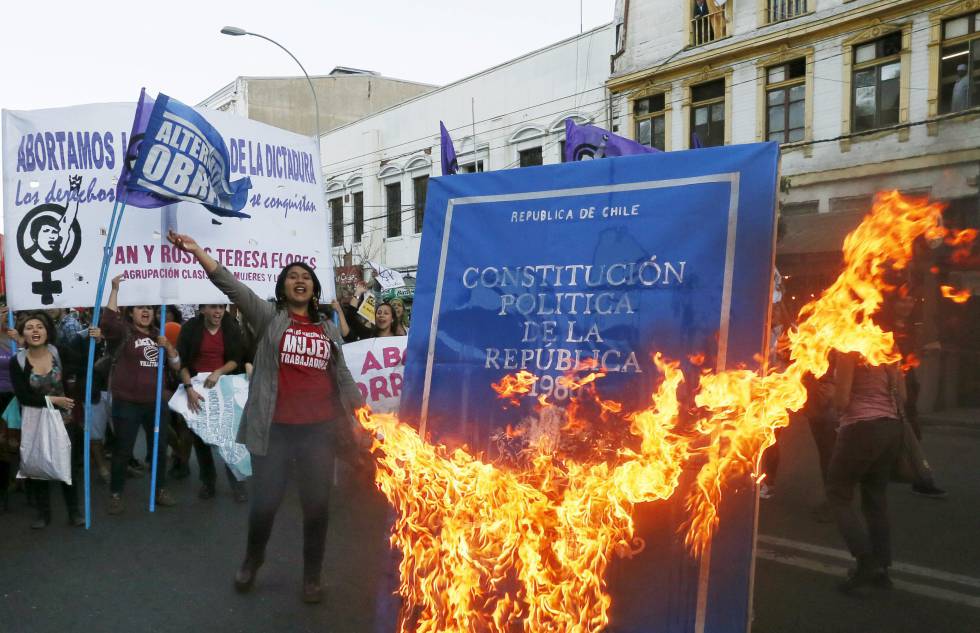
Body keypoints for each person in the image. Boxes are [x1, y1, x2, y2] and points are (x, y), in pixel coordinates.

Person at [167, 230, 367, 604]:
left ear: (315, 288)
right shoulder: (269, 318)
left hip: (319, 432)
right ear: (282, 287)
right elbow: (232, 287)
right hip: (274, 429)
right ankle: (253, 558)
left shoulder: (326, 328)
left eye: (306, 276)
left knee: (317, 506)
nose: (300, 280)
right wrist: (198, 252)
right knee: (266, 504)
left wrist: (361, 414)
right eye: (292, 275)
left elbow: (341, 374)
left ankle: (312, 574)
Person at [98, 275, 182, 514]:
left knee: (158, 449)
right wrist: (115, 289)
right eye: (140, 307)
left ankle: (160, 490)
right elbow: (107, 322)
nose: (145, 311)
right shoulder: (123, 332)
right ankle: (116, 494)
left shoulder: (159, 335)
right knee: (123, 450)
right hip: (127, 403)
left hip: (156, 404)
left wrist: (168, 347)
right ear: (131, 312)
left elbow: (176, 365)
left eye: (149, 308)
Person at [828, 344, 904, 594]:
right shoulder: (888, 345)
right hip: (890, 428)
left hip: (861, 427)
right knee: (875, 498)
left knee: (838, 494)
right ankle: (882, 568)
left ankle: (866, 562)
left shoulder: (849, 348)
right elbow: (901, 396)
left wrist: (828, 395)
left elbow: (842, 401)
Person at [8, 312, 83, 528]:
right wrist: (53, 401)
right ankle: (43, 514)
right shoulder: (18, 361)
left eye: (39, 326)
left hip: (65, 420)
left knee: (67, 466)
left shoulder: (59, 352)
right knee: (38, 465)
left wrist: (94, 338)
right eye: (29, 327)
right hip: (35, 421)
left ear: (47, 331)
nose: (35, 331)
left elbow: (84, 363)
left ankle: (74, 512)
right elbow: (24, 396)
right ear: (22, 334)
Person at [176, 304, 248, 502]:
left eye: (221, 307)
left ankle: (237, 483)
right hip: (197, 389)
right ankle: (208, 482)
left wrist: (219, 372)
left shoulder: (230, 327)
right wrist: (189, 388)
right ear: (203, 310)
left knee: (229, 437)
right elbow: (181, 364)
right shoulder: (190, 329)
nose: (218, 311)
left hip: (224, 388)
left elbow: (236, 359)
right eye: (213, 307)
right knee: (201, 440)